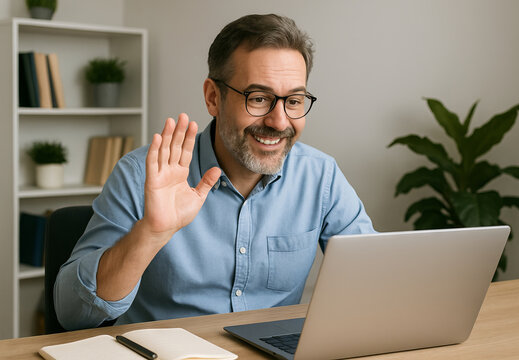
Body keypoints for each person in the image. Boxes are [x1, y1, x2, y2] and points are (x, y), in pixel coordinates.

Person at [55, 13, 375, 330]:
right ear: (213, 98)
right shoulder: (141, 174)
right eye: (259, 98)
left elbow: (376, 278)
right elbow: (71, 313)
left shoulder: (321, 176)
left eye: (293, 100)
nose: (279, 122)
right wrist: (150, 233)